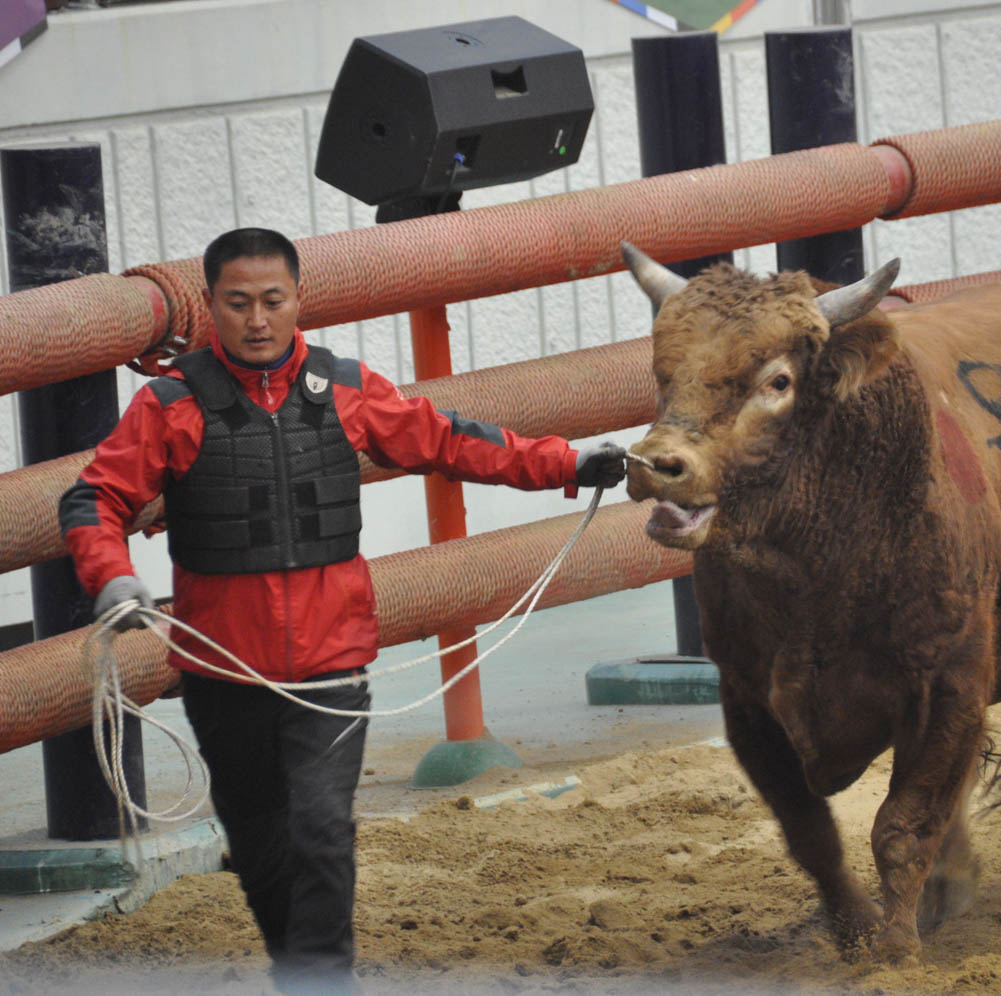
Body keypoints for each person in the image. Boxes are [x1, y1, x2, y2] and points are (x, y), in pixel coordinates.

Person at [58, 227, 626, 993]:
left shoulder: (348, 389)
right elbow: (93, 496)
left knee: (322, 832)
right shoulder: (170, 405)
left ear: (298, 301)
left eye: (272, 301)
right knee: (262, 849)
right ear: (211, 307)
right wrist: (112, 578)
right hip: (221, 672)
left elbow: (452, 442)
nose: (257, 320)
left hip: (330, 670)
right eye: (237, 304)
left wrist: (567, 461)